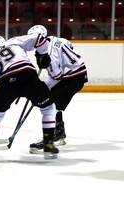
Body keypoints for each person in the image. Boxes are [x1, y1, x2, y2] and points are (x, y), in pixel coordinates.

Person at [0, 34, 59, 160]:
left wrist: (17, 91)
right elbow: (39, 38)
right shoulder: (13, 41)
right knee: (48, 108)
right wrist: (43, 55)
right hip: (27, 75)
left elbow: (3, 80)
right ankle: (48, 145)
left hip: (7, 81)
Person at [27, 25, 88, 154]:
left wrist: (40, 90)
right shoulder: (54, 39)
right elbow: (69, 45)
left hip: (72, 78)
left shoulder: (48, 54)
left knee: (50, 104)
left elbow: (56, 77)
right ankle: (59, 132)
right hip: (75, 74)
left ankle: (49, 138)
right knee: (54, 103)